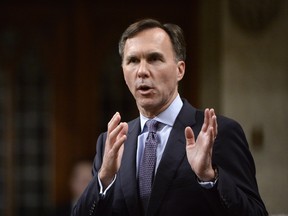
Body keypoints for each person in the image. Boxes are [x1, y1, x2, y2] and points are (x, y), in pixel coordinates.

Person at [72, 18, 268, 216]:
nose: (142, 71)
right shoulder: (110, 142)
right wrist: (104, 178)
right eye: (132, 61)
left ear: (179, 69)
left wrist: (210, 177)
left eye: (154, 59)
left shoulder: (219, 133)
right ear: (124, 73)